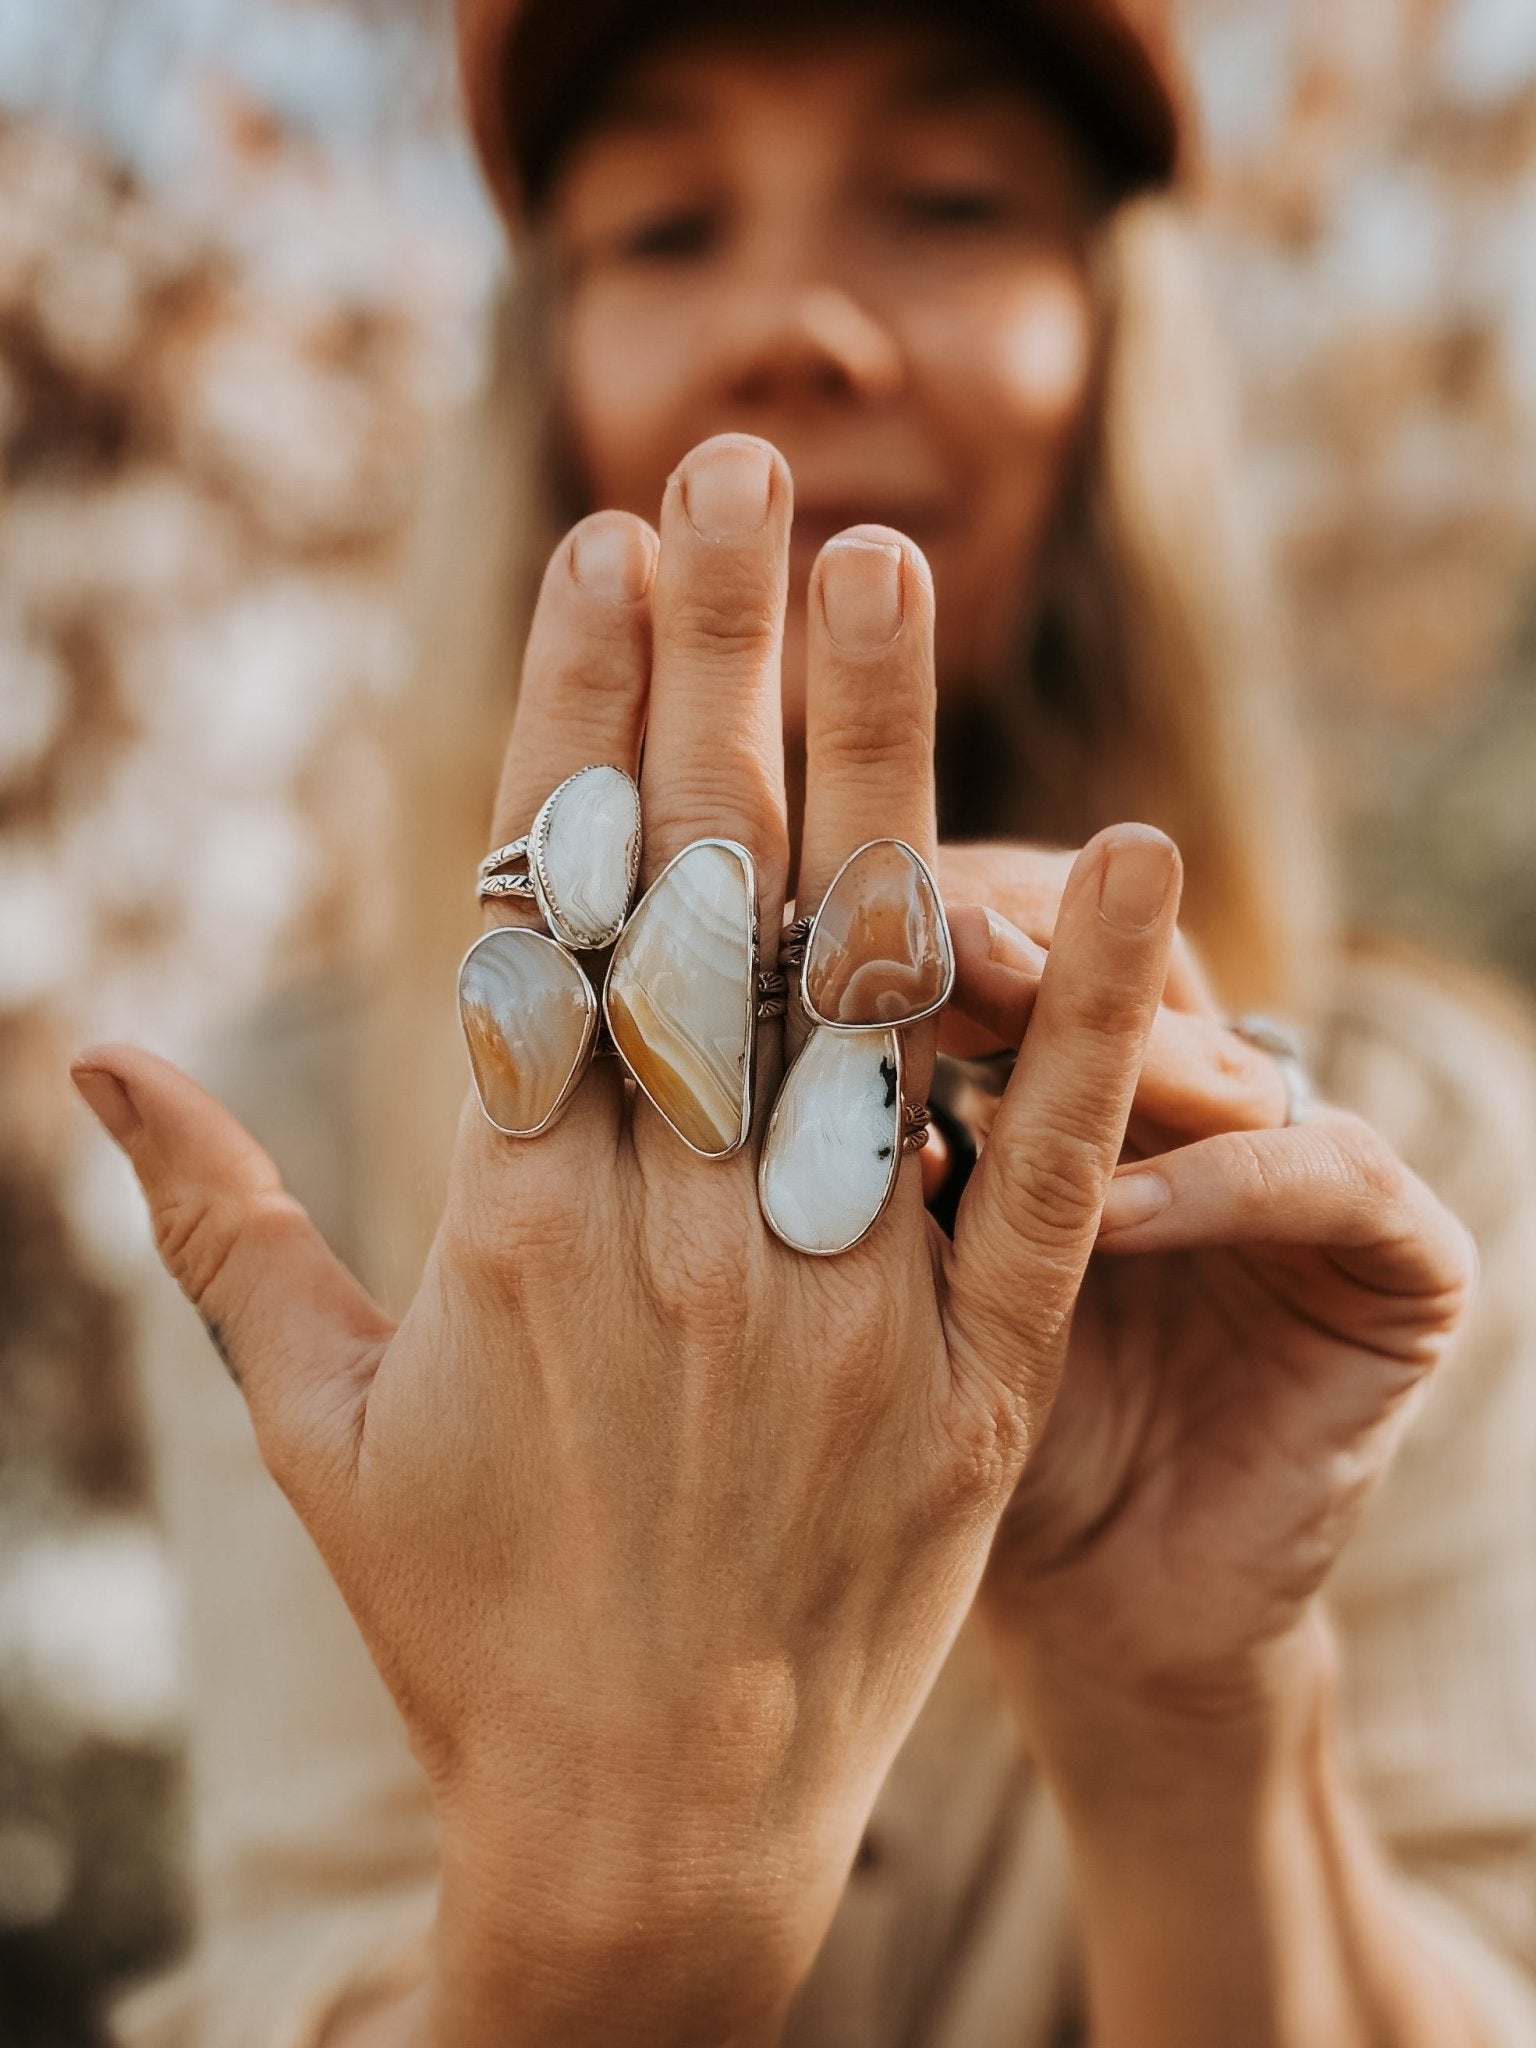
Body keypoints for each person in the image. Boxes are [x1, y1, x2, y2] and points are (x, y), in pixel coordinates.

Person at [77, 0, 1536, 2043]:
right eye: (670, 227)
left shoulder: (1408, 1157)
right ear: (550, 378)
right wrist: (617, 1889)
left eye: (947, 202)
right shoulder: (304, 1143)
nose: (801, 326)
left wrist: (1191, 1710)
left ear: (1115, 354)